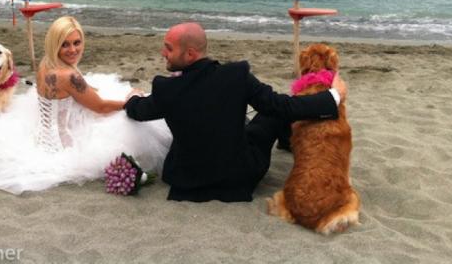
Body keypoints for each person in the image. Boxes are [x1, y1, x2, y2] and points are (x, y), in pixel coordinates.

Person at [0, 16, 171, 194]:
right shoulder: (69, 76)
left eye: (77, 43)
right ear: (55, 45)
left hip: (44, 132)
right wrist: (130, 100)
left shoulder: (46, 64)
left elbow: (76, 98)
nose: (73, 50)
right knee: (133, 121)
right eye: (65, 45)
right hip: (64, 146)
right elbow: (99, 107)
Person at [124, 22, 347, 203]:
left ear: (190, 53)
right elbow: (283, 106)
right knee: (273, 111)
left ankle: (284, 141)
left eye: (168, 48)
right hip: (240, 176)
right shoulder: (237, 75)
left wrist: (132, 97)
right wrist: (334, 96)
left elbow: (139, 111)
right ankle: (287, 143)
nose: (163, 53)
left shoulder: (166, 88)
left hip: (186, 178)